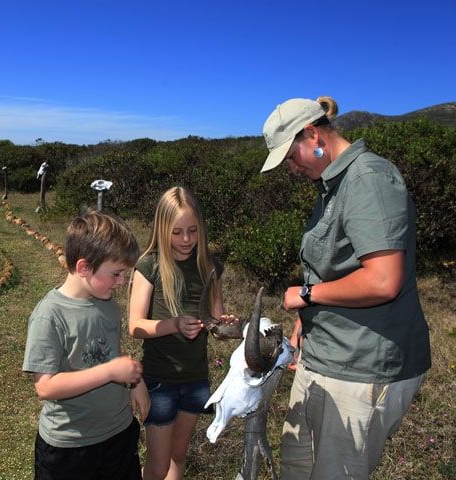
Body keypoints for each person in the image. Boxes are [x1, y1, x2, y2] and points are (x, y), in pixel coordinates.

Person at [260, 96, 431, 479]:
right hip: (324, 355)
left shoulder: (368, 180)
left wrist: (306, 296)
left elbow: (383, 280)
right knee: (297, 465)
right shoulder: (331, 188)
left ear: (312, 134)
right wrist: (305, 323)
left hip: (361, 366)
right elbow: (331, 268)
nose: (291, 169)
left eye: (290, 157)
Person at [23, 210, 150, 480]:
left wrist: (136, 382)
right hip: (70, 446)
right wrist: (110, 373)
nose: (122, 282)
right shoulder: (50, 315)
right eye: (116, 273)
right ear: (84, 268)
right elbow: (45, 386)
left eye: (124, 274)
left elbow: (110, 353)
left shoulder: (107, 303)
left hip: (118, 433)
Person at [129, 186, 232, 480]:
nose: (186, 240)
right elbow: (135, 325)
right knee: (158, 465)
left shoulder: (208, 266)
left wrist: (226, 326)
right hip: (160, 381)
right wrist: (173, 324)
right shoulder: (148, 265)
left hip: (196, 379)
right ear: (162, 229)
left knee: (178, 456)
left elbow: (216, 323)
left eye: (193, 230)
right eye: (176, 232)